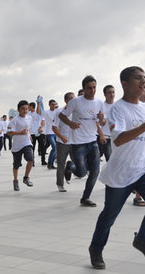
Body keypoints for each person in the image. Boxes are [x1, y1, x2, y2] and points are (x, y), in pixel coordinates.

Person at [89, 66, 145, 269]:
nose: (143, 81)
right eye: (137, 78)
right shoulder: (117, 109)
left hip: (142, 170)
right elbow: (119, 140)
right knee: (109, 216)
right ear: (124, 83)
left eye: (144, 77)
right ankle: (96, 249)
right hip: (120, 173)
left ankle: (142, 239)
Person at [59, 75, 106, 207]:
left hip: (92, 141)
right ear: (83, 89)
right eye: (89, 88)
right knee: (81, 172)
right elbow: (62, 115)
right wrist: (70, 123)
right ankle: (70, 166)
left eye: (94, 87)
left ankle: (85, 198)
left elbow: (101, 122)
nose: (92, 90)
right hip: (78, 143)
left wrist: (102, 119)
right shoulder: (75, 101)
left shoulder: (99, 103)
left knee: (95, 171)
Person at [7, 100, 34, 191]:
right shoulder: (14, 120)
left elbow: (28, 129)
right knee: (16, 165)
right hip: (17, 146)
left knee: (30, 160)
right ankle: (15, 181)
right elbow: (9, 132)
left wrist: (29, 136)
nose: (25, 110)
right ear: (18, 110)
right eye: (23, 109)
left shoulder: (29, 118)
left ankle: (26, 178)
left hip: (27, 143)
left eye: (26, 109)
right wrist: (20, 133)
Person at [52, 92, 76, 192]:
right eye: (70, 99)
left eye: (74, 99)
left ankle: (69, 168)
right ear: (65, 101)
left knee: (79, 163)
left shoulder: (77, 112)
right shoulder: (59, 112)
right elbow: (54, 127)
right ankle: (60, 184)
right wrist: (62, 137)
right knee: (61, 163)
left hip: (75, 142)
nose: (73, 101)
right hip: (62, 142)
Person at [99, 85, 115, 162]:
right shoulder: (101, 106)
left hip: (115, 138)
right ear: (105, 94)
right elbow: (102, 123)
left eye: (113, 92)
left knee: (111, 161)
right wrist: (102, 119)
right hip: (104, 137)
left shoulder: (117, 106)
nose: (112, 95)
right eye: (109, 92)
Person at [43, 99, 58, 169]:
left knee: (56, 148)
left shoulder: (57, 112)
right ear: (49, 105)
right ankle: (49, 163)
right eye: (52, 104)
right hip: (49, 132)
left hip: (56, 132)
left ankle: (51, 163)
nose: (53, 105)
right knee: (54, 147)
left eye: (54, 104)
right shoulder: (46, 112)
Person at [29, 102, 43, 166]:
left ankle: (43, 161)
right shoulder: (28, 114)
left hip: (39, 132)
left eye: (29, 106)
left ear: (31, 106)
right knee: (32, 148)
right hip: (32, 133)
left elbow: (43, 122)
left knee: (42, 147)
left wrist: (38, 103)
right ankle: (32, 162)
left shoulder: (38, 113)